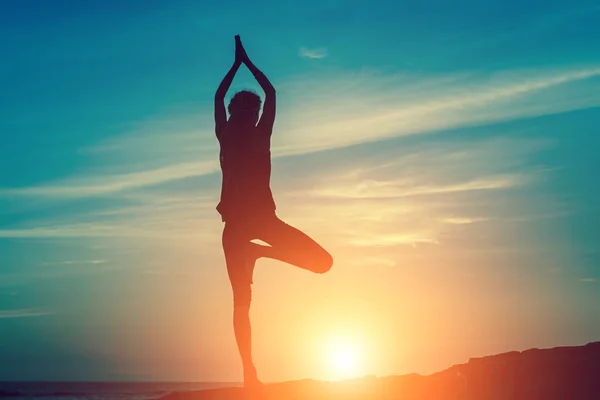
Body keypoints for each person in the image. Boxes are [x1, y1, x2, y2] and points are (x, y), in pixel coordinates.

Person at [213, 35, 334, 388]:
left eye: (249, 112)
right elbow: (247, 96)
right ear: (240, 114)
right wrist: (243, 64)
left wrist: (239, 65)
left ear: (251, 115)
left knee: (322, 263)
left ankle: (259, 253)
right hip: (238, 228)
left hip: (263, 224)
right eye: (244, 112)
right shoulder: (237, 134)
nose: (246, 116)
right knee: (240, 305)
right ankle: (249, 373)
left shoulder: (254, 134)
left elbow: (251, 96)